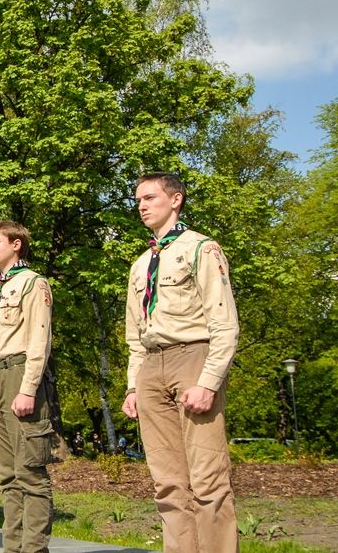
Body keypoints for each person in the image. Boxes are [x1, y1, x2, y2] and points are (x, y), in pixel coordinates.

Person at [121, 172, 239, 553]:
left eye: (150, 198)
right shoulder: (141, 264)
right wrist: (133, 385)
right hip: (151, 367)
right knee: (167, 483)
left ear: (176, 200)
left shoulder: (202, 249)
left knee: (208, 480)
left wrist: (208, 382)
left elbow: (224, 323)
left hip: (193, 359)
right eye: (138, 199)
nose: (141, 205)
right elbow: (134, 333)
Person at [0, 221, 56, 553]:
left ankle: (33, 549)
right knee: (7, 475)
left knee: (30, 472)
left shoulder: (34, 284)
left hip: (18, 374)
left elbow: (39, 339)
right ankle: (12, 547)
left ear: (16, 244)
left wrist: (29, 388)